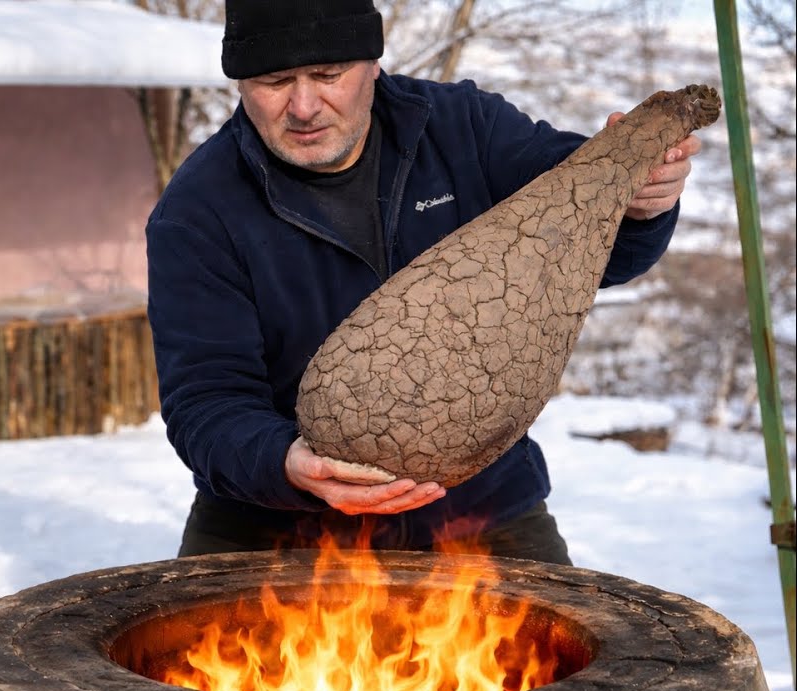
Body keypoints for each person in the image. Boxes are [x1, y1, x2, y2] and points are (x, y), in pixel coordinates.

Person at [145, 0, 701, 563]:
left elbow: (595, 244)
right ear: (240, 83)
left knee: (574, 644)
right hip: (278, 524)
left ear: (373, 65)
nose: (304, 106)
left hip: (478, 511)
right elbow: (207, 400)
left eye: (328, 75)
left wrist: (638, 204)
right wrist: (285, 464)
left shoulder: (464, 128)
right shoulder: (199, 209)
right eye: (274, 81)